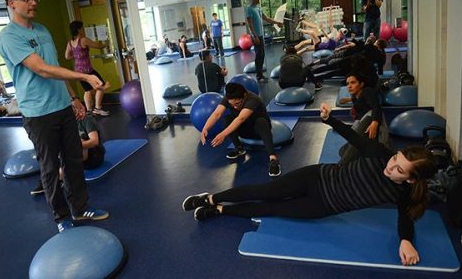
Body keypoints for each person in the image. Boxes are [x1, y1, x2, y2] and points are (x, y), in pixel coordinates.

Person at [183, 102, 437, 266]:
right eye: (395, 158)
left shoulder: (404, 194)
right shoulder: (379, 153)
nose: (390, 166)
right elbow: (351, 134)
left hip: (322, 204)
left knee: (271, 208)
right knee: (265, 191)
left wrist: (406, 240)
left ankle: (219, 211)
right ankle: (211, 198)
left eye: (399, 169)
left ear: (411, 179)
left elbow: (405, 220)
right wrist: (328, 120)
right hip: (316, 177)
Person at [0, 0, 109, 232]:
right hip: (38, 114)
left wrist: (74, 98)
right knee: (50, 168)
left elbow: (55, 67)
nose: (33, 2)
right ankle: (62, 218)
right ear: (11, 3)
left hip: (62, 107)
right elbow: (41, 69)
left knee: (73, 161)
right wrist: (83, 77)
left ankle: (80, 210)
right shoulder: (9, 36)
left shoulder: (43, 30)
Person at [199, 83, 282, 177]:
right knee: (226, 119)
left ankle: (273, 159)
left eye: (237, 103)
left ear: (244, 95)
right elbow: (216, 114)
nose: (234, 107)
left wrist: (222, 134)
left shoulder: (253, 99)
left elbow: (240, 118)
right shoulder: (229, 98)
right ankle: (239, 149)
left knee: (261, 121)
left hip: (258, 130)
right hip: (243, 129)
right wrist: (205, 128)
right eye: (231, 105)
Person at [31, 114, 106, 195]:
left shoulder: (86, 119)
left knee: (77, 141)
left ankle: (57, 178)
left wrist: (73, 146)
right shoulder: (62, 122)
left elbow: (94, 142)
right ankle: (53, 177)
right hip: (75, 157)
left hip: (93, 157)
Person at [338, 72, 389, 165]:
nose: (349, 86)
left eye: (353, 83)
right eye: (348, 84)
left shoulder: (368, 91)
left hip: (371, 120)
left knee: (350, 151)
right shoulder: (356, 95)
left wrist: (374, 123)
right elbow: (360, 101)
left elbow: (376, 107)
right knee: (342, 151)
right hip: (363, 124)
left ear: (361, 84)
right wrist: (348, 99)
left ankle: (339, 168)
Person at [65, 21, 111, 116]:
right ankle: (98, 108)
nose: (83, 29)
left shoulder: (70, 43)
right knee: (101, 85)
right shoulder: (83, 40)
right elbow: (97, 46)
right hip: (87, 70)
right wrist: (106, 44)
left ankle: (89, 111)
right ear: (78, 29)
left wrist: (77, 56)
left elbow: (67, 56)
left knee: (87, 90)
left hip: (78, 71)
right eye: (82, 27)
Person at [246, 0, 283, 82]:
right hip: (256, 36)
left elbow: (266, 18)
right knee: (259, 55)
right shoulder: (249, 9)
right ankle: (259, 76)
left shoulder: (258, 8)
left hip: (260, 35)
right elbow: (250, 24)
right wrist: (255, 36)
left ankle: (260, 74)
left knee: (262, 55)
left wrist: (277, 22)